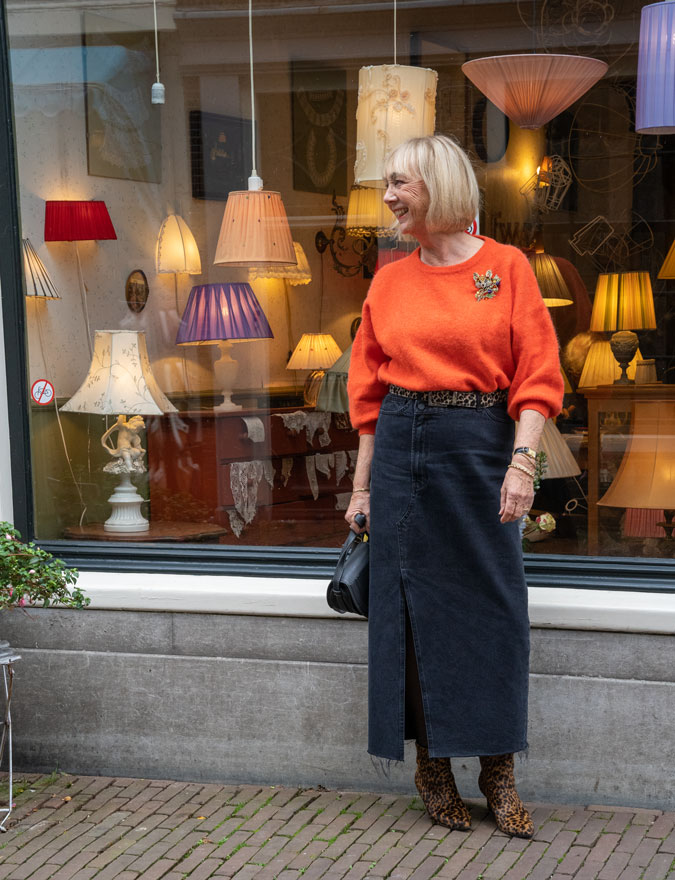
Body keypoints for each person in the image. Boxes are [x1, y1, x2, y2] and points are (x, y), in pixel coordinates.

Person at [346, 135, 563, 839]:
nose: (388, 198)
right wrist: (360, 490)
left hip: (480, 445)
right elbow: (367, 397)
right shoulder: (387, 280)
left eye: (399, 183)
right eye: (387, 185)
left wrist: (522, 465)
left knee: (493, 609)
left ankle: (496, 772)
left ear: (437, 185)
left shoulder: (506, 269)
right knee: (408, 611)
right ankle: (431, 768)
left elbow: (536, 375)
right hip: (402, 447)